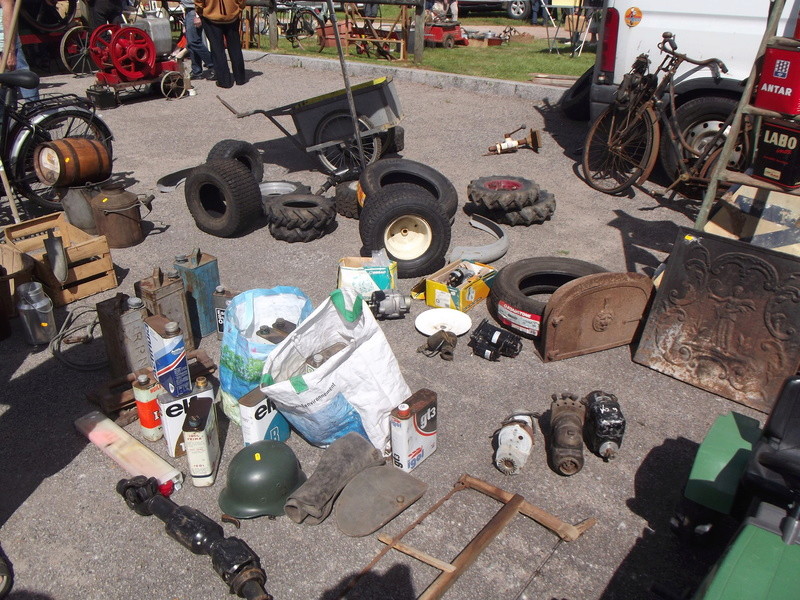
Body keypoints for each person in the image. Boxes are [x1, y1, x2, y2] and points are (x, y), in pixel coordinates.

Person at [194, 0, 246, 89]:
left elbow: (199, 2)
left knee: (217, 50)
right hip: (231, 15)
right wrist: (238, 9)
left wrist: (201, 12)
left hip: (211, 16)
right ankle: (240, 78)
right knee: (235, 48)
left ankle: (224, 81)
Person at [0, 0, 39, 101]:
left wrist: (10, 51)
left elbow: (9, 12)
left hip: (4, 44)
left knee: (22, 76)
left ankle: (35, 111)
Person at [180, 0, 214, 80]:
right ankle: (196, 70)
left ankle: (213, 64)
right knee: (191, 44)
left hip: (194, 10)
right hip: (188, 11)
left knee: (194, 41)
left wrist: (198, 15)